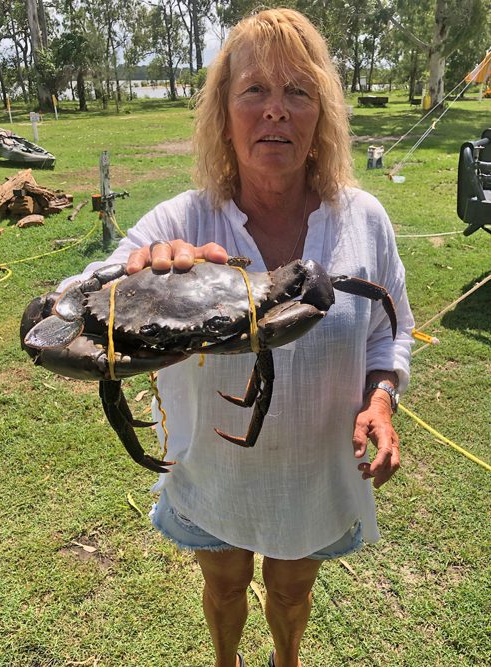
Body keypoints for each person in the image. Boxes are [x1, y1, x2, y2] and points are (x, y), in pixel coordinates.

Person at [57, 9, 414, 667]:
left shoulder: (362, 222)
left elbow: (391, 330)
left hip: (312, 471)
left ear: (321, 116)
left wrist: (382, 397)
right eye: (254, 90)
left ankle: (286, 659)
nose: (275, 109)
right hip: (216, 473)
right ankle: (227, 660)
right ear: (224, 112)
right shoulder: (187, 218)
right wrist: (137, 272)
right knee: (222, 588)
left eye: (297, 91)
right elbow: (76, 296)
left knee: (291, 591)